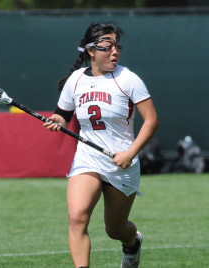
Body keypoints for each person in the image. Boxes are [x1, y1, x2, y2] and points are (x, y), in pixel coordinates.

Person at [43, 22, 159, 268]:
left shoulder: (128, 79)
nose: (114, 51)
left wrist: (130, 153)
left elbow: (152, 121)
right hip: (88, 159)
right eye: (108, 47)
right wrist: (56, 121)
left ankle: (132, 243)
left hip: (122, 164)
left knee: (115, 229)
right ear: (91, 50)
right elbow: (62, 114)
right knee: (77, 218)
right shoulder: (76, 79)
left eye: (117, 46)